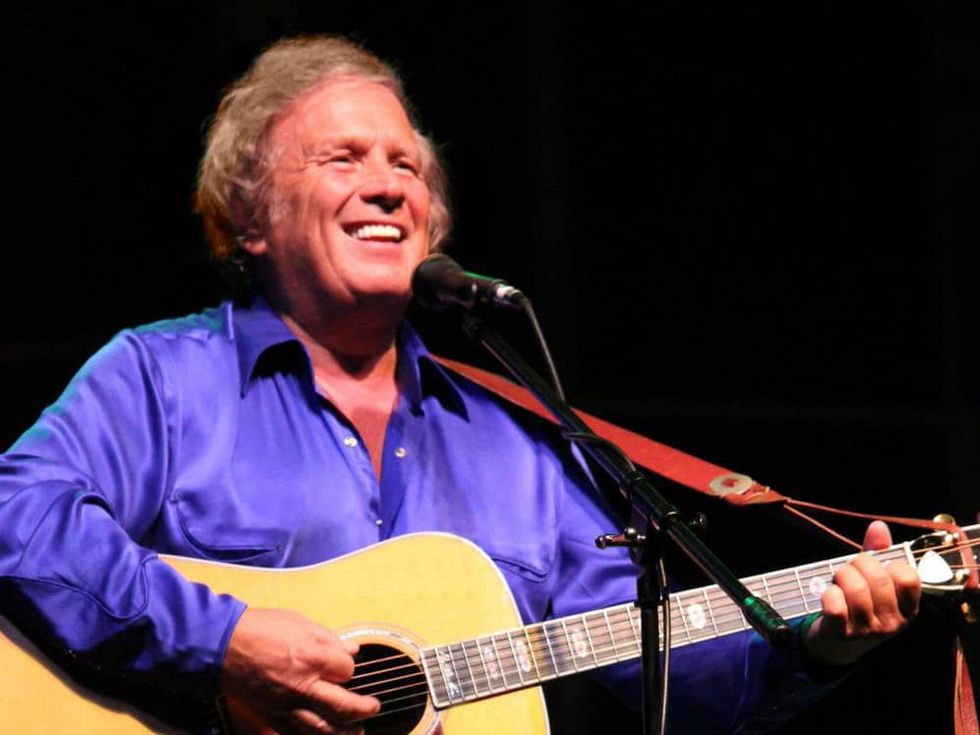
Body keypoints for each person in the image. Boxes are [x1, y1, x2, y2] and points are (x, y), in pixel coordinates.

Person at [0, 35, 920, 734]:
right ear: (251, 218)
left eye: (405, 165)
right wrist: (223, 643)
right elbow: (18, 515)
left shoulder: (517, 440)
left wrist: (824, 641)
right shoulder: (160, 378)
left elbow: (662, 667)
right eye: (344, 158)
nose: (388, 186)